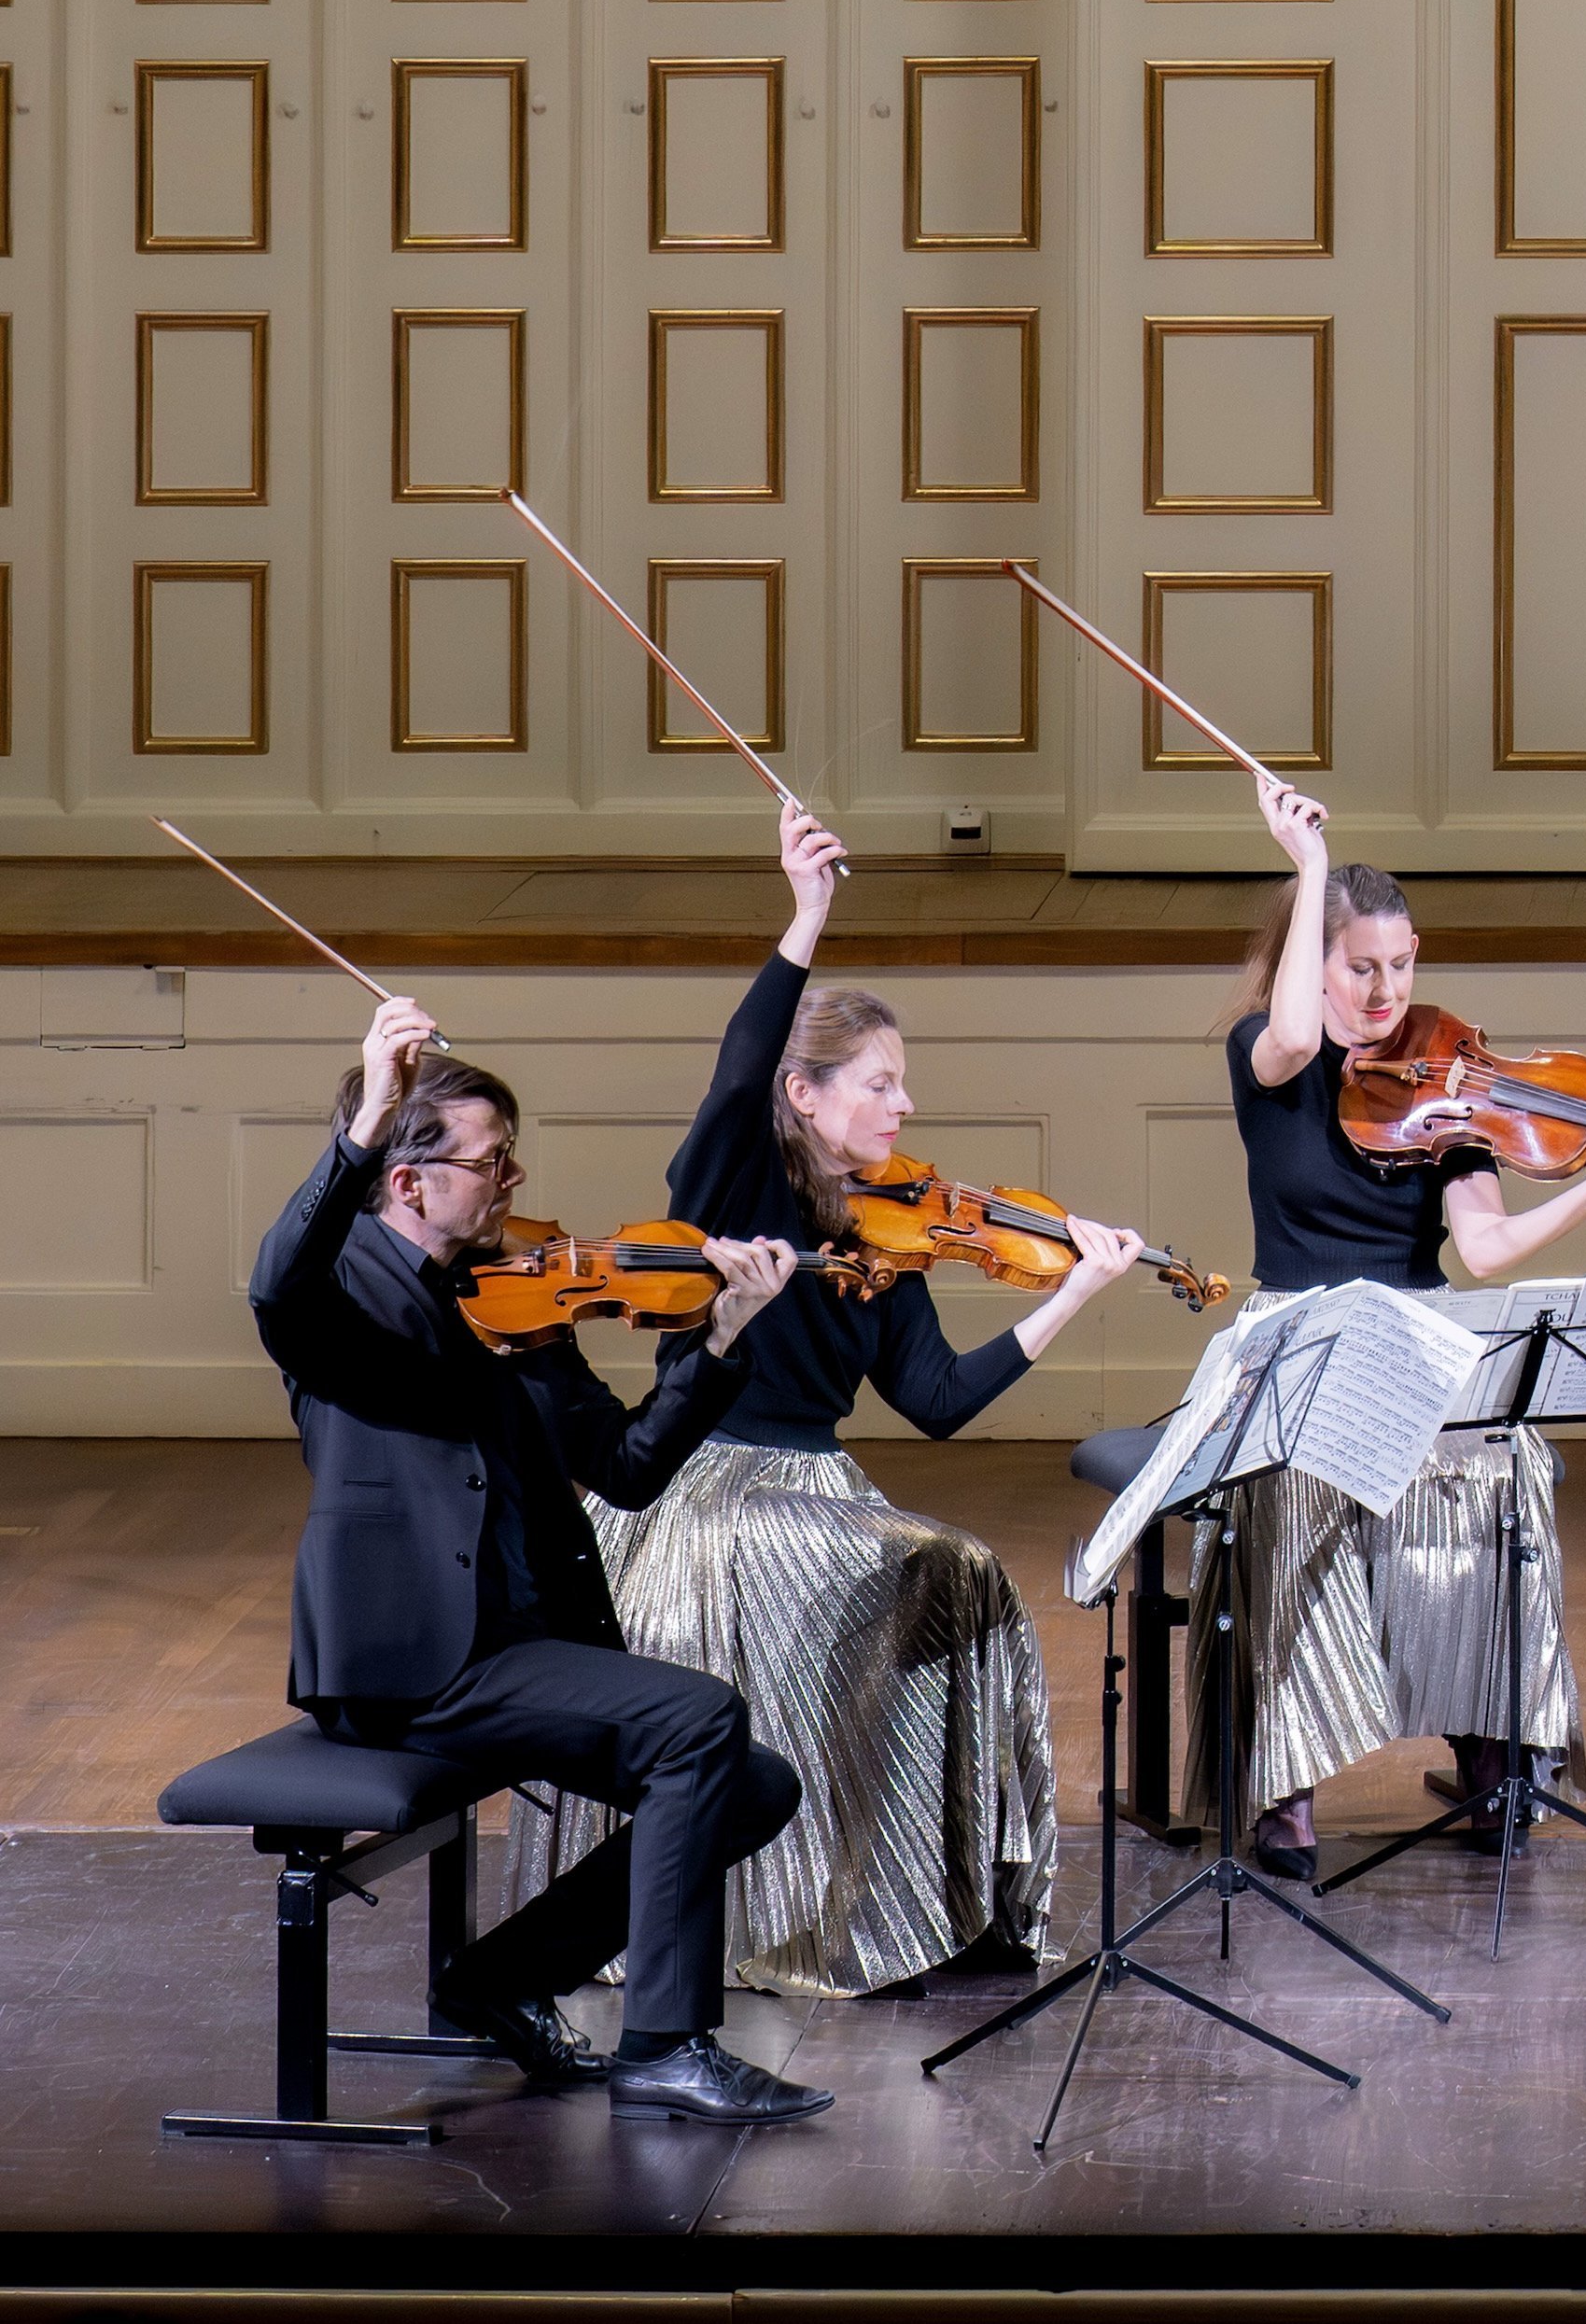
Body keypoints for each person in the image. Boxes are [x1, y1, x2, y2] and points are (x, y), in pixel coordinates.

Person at [503, 806, 1151, 1995]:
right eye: (882, 1084)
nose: (905, 1108)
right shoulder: (734, 1177)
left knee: (962, 1578)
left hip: (816, 1490)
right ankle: (765, 1920)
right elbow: (741, 1064)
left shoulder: (885, 1231)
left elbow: (938, 1400)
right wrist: (807, 916)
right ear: (804, 1093)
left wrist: (1073, 1293)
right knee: (939, 1563)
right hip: (708, 1490)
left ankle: (913, 1905)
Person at [250, 990, 828, 2126]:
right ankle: (666, 2046)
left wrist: (719, 1340)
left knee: (754, 1784)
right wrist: (365, 1114)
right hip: (412, 1661)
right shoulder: (344, 1296)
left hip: (515, 1644)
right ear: (408, 1181)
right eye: (490, 1163)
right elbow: (280, 1282)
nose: (513, 1182)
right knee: (700, 1720)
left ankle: (499, 1980)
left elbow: (626, 1467)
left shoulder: (517, 1300)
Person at [1208, 763, 1586, 1877]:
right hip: (1302, 1332)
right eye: (1359, 967)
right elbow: (1294, 1032)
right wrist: (1309, 866)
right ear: (1315, 965)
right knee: (1297, 1489)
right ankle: (1286, 1779)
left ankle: (1490, 1749)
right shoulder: (1266, 1053)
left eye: (1401, 964)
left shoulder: (1449, 1077)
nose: (1385, 990)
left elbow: (1485, 1251)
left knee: (1504, 1469)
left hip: (1417, 1331)